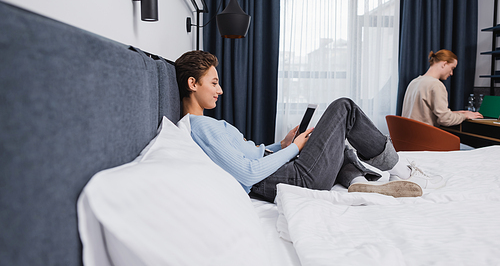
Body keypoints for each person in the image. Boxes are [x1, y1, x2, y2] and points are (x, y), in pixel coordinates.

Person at [175, 50, 443, 202]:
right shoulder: (201, 127)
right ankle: (402, 170)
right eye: (213, 83)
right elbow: (247, 174)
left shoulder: (203, 125)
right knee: (344, 108)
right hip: (294, 178)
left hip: (287, 170)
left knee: (342, 144)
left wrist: (281, 145)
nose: (220, 90)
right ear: (192, 84)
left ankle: (358, 182)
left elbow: (247, 155)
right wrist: (294, 150)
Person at [402, 49, 483, 127]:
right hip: (424, 136)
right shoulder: (436, 85)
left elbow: (424, 114)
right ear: (444, 64)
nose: (451, 73)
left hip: (409, 135)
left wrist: (458, 113)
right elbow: (445, 120)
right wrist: (465, 116)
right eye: (452, 68)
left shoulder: (414, 82)